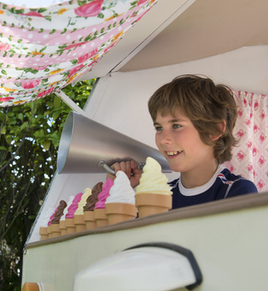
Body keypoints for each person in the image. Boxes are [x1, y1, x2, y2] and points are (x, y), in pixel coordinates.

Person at [110, 74, 257, 209]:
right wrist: (120, 190)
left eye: (176, 126)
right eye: (159, 128)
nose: (163, 139)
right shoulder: (161, 196)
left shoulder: (235, 191)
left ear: (215, 130)